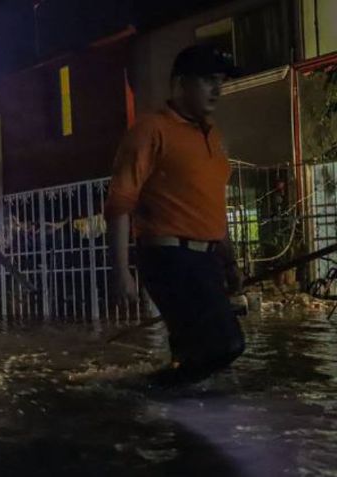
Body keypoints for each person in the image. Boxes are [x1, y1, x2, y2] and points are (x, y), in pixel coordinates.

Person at [105, 45, 245, 386]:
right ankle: (144, 391)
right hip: (170, 258)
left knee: (196, 354)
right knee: (226, 344)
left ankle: (168, 407)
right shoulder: (151, 130)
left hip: (206, 261)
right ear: (180, 84)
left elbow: (209, 205)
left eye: (220, 81)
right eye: (208, 80)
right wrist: (121, 270)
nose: (218, 89)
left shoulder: (212, 135)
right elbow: (120, 202)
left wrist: (228, 263)